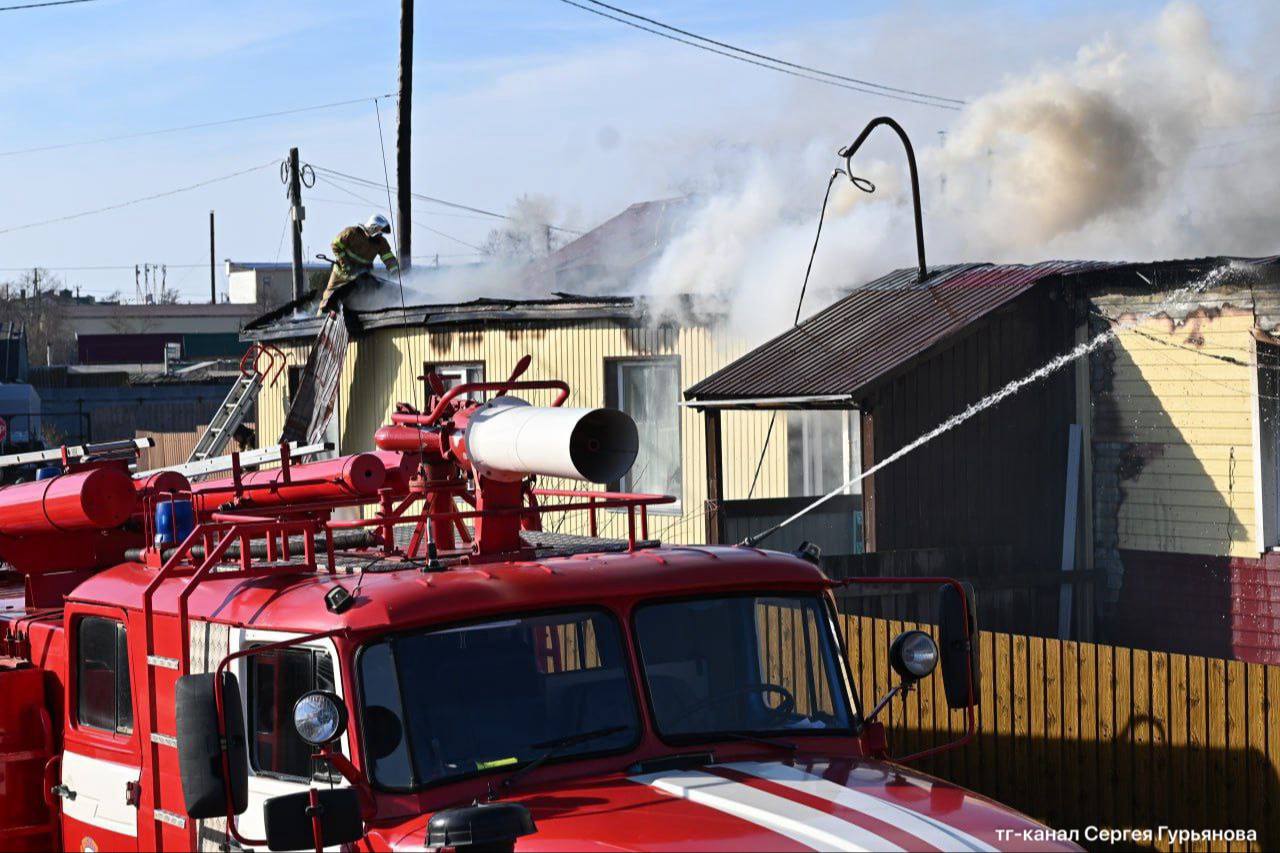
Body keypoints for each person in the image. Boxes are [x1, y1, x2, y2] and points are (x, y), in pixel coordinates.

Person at [318, 214, 399, 314]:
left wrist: (395, 270)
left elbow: (388, 257)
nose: (380, 235)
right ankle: (320, 320)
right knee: (328, 299)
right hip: (341, 275)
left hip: (361, 278)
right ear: (372, 227)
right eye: (379, 232)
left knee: (361, 302)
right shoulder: (351, 233)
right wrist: (346, 265)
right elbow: (335, 245)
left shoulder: (380, 242)